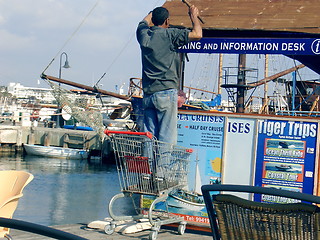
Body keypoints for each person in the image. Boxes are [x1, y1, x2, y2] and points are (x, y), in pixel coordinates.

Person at [136, 5, 202, 144]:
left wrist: (151, 14)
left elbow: (142, 22)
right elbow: (197, 34)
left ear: (153, 20)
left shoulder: (143, 35)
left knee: (149, 137)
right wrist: (193, 16)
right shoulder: (171, 34)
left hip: (148, 94)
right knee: (166, 139)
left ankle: (149, 165)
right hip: (166, 92)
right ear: (167, 21)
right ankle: (163, 167)